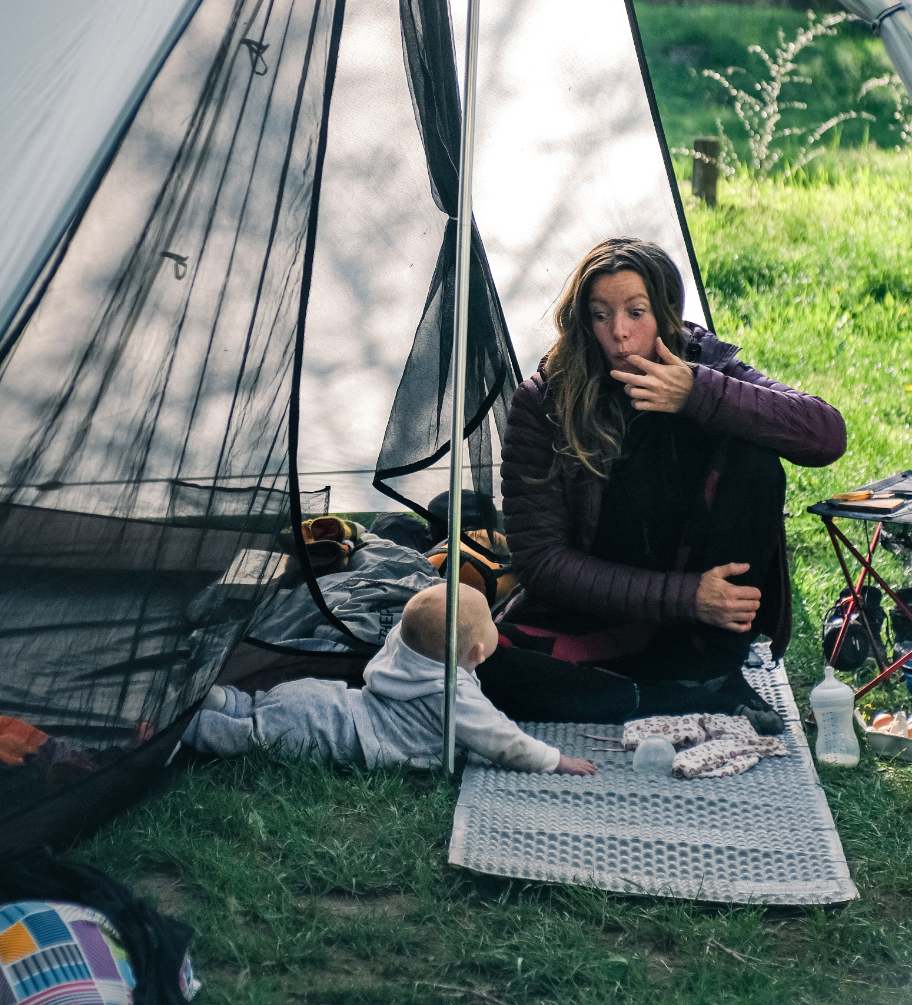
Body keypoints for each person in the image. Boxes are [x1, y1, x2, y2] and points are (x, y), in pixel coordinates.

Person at [480, 237, 846, 727]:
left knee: (754, 458)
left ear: (667, 313)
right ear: (582, 321)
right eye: (600, 314)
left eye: (636, 312)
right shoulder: (544, 401)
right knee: (489, 670)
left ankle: (709, 669)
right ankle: (670, 697)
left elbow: (826, 435)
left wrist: (699, 393)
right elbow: (543, 563)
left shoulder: (706, 367)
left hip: (698, 628)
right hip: (597, 617)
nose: (619, 334)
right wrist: (686, 594)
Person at [182, 582, 595, 775]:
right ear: (477, 653)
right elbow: (502, 740)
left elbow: (414, 626)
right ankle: (186, 727)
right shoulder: (450, 694)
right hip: (330, 728)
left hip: (322, 699)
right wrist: (555, 761)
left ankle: (220, 700)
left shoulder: (405, 647)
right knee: (253, 736)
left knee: (256, 708)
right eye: (490, 624)